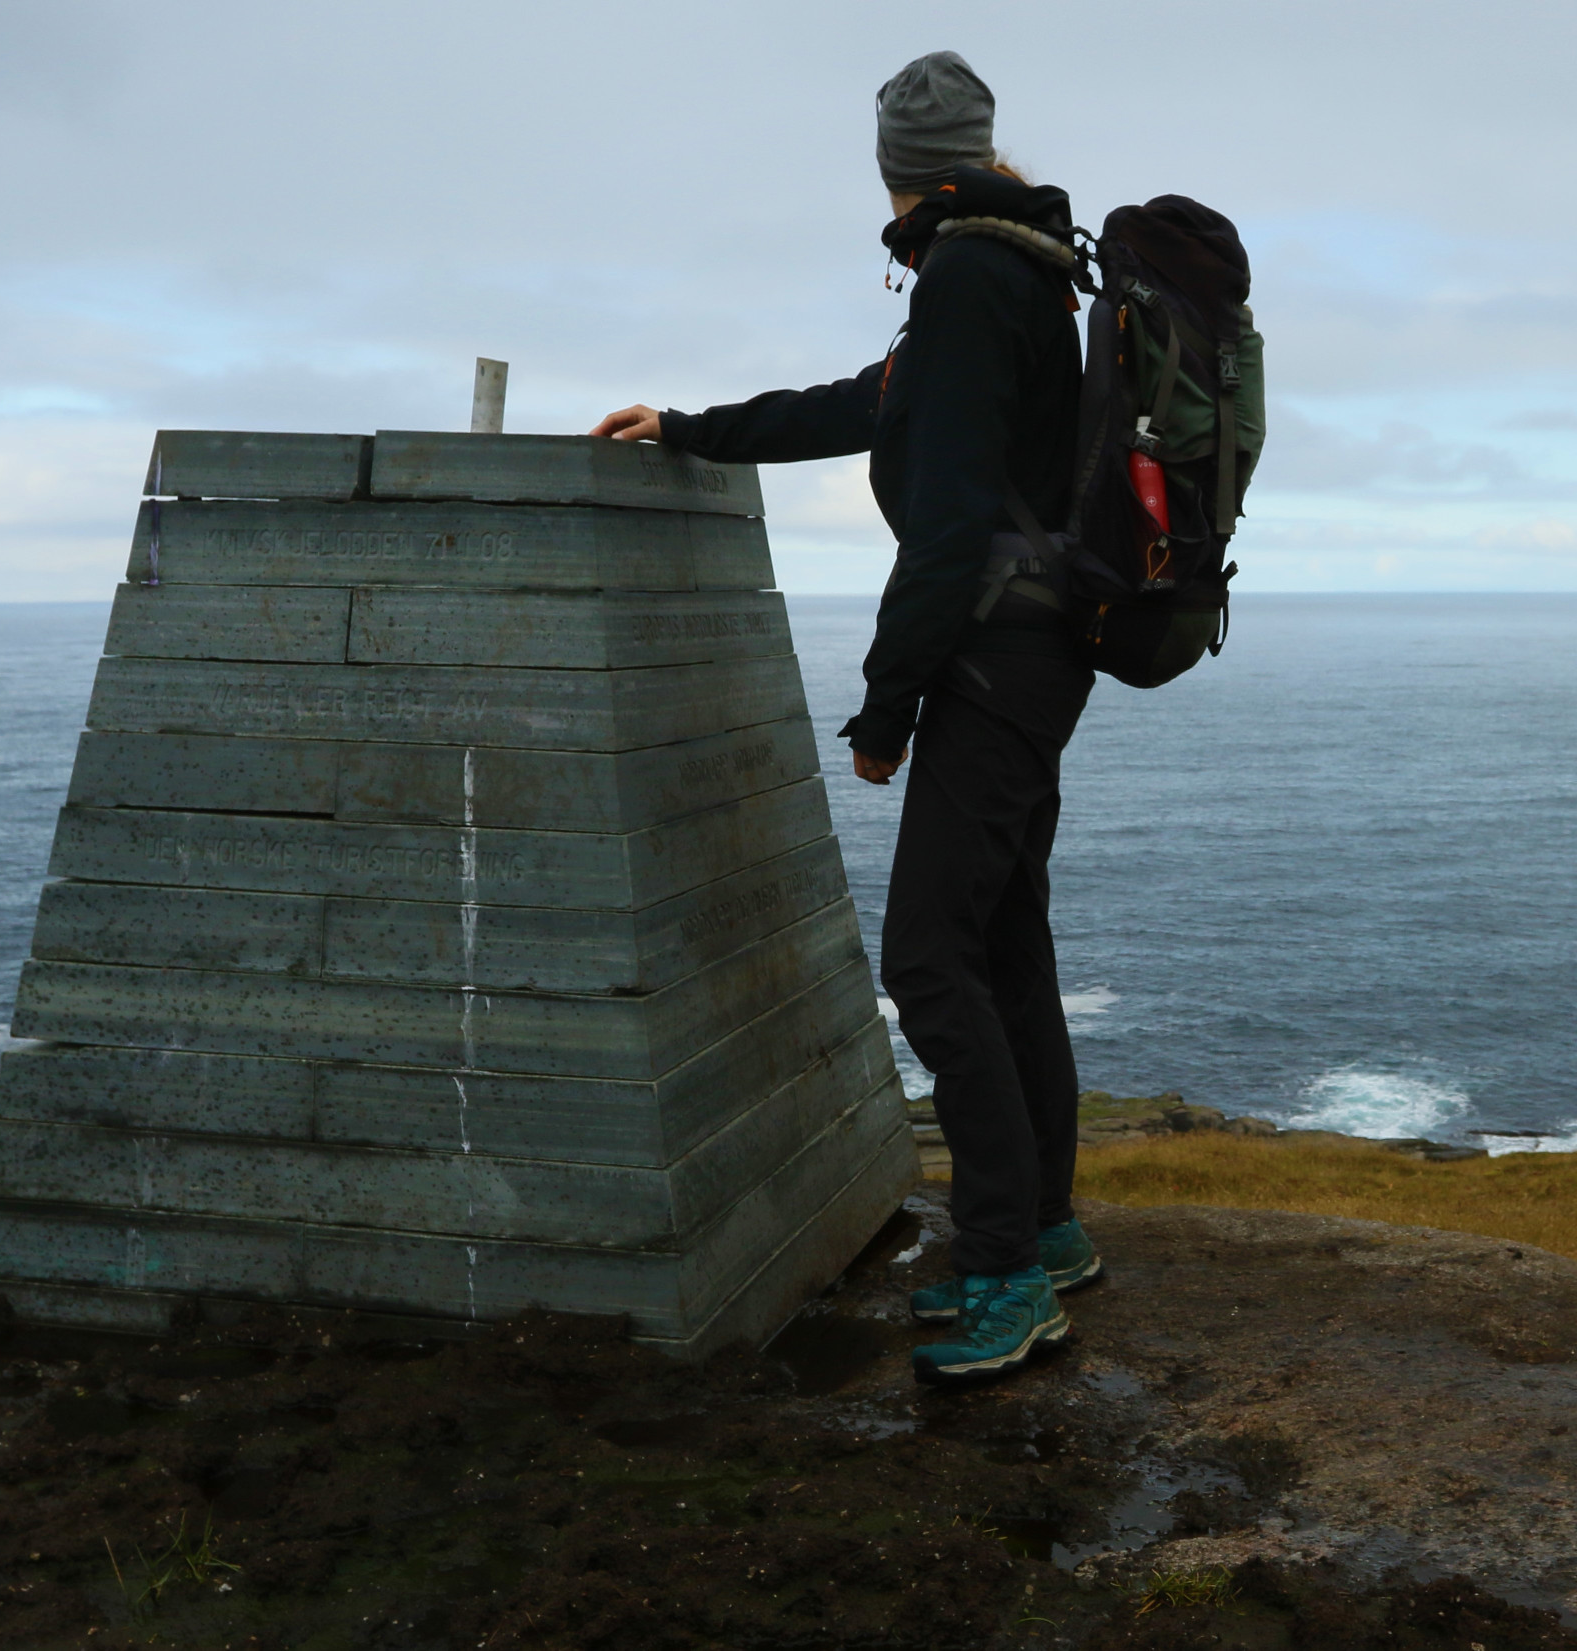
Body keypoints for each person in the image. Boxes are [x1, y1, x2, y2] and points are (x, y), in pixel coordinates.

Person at [591, 51, 1102, 1383]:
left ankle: (1002, 1273)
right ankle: (1042, 1233)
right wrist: (692, 427)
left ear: (899, 167)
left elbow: (941, 530)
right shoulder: (1022, 261)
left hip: (994, 660)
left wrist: (884, 709)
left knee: (930, 958)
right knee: (1000, 943)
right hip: (1042, 650)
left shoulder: (973, 274)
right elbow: (867, 406)